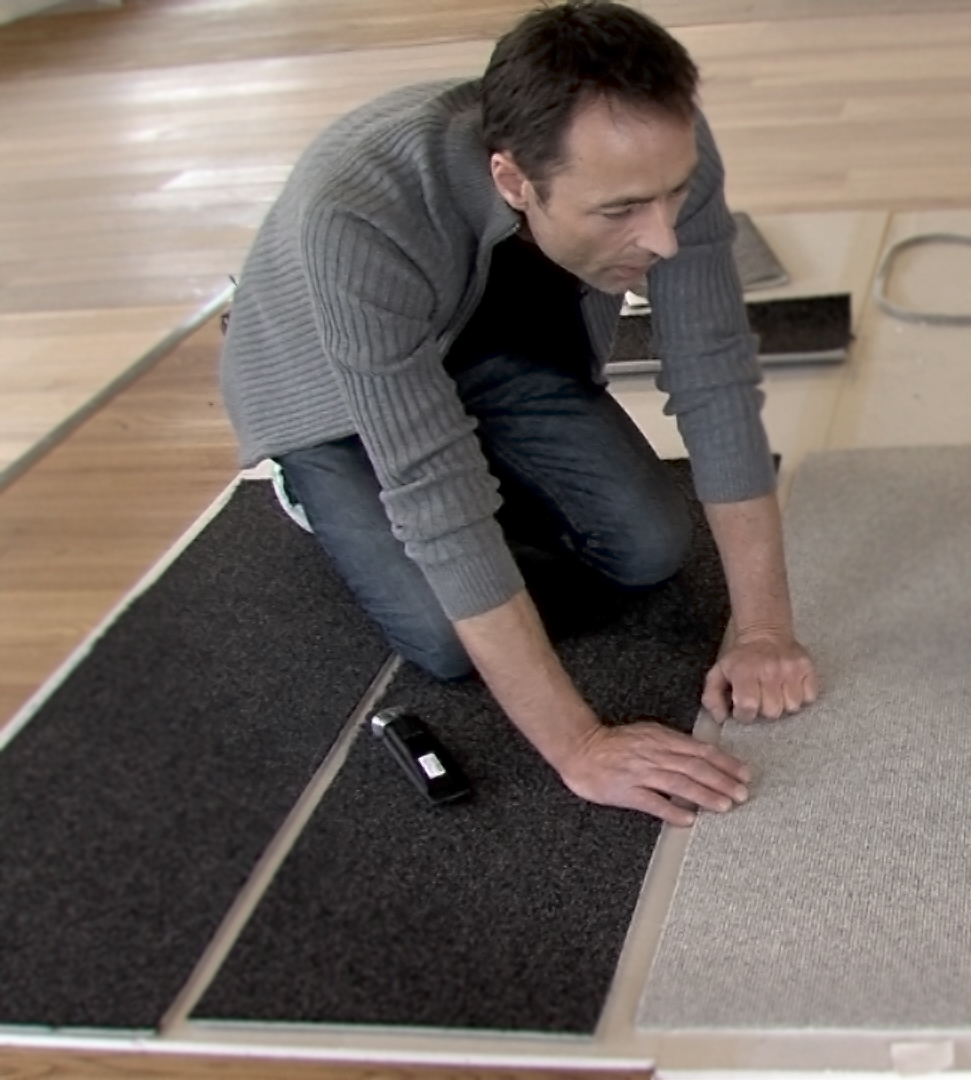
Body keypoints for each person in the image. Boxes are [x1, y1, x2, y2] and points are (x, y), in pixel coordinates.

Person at [220, 1, 817, 826]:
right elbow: (437, 495)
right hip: (332, 392)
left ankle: (481, 458)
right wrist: (580, 744)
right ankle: (310, 485)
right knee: (441, 635)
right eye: (621, 212)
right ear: (512, 181)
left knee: (650, 545)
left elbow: (714, 377)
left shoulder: (657, 146)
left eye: (673, 196)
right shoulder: (357, 206)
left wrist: (763, 632)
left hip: (493, 348)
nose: (665, 239)